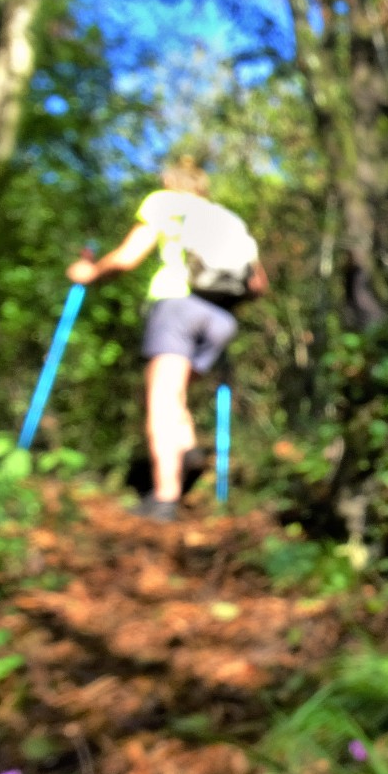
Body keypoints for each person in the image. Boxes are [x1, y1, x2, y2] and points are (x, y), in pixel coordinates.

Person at [66, 157, 266, 520]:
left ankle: (164, 497)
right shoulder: (227, 219)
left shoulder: (164, 203)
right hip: (222, 319)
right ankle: (188, 450)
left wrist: (88, 273)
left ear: (169, 181)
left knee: (160, 399)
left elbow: (126, 259)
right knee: (176, 396)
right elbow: (257, 285)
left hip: (177, 306)